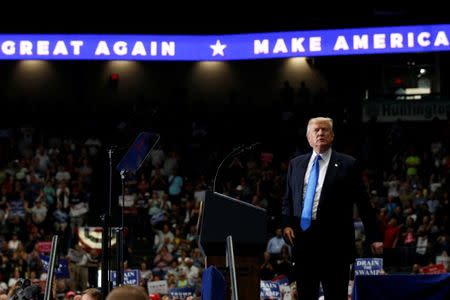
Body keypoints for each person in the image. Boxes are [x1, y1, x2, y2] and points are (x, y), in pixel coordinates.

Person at [281, 117, 383, 300]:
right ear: (308, 138)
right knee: (306, 295)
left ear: (333, 135)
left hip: (335, 244)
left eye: (325, 130)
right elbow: (288, 199)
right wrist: (286, 224)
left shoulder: (348, 164)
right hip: (304, 242)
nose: (320, 133)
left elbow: (364, 204)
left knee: (335, 295)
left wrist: (374, 237)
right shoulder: (295, 164)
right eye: (316, 130)